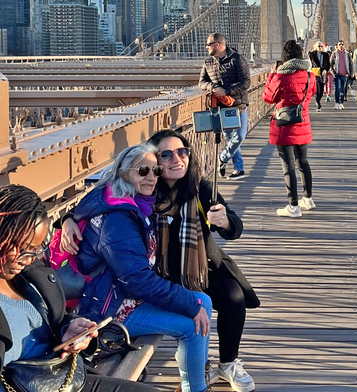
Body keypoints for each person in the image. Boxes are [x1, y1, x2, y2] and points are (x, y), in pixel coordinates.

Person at [61, 130, 260, 392]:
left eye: (182, 152)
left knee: (232, 296)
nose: (176, 159)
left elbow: (233, 226)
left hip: (195, 268)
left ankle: (226, 363)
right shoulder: (141, 198)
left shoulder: (198, 189)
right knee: (193, 316)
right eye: (165, 155)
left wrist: (226, 222)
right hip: (153, 277)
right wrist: (67, 220)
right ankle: (196, 379)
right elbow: (95, 206)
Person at [73, 143, 213, 392]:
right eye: (143, 171)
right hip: (108, 310)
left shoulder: (123, 199)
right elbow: (137, 279)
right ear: (124, 172)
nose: (151, 177)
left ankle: (191, 380)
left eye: (155, 171)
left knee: (204, 301)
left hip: (123, 295)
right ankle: (197, 388)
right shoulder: (117, 219)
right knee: (193, 326)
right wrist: (189, 305)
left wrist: (67, 218)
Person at [0, 185, 156, 392]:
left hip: (59, 376)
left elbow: (51, 320)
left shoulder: (26, 275)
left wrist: (68, 329)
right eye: (21, 248)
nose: (28, 260)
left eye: (35, 250)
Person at [263, 40, 317, 218]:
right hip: (303, 123)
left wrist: (271, 76)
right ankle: (308, 199)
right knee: (303, 162)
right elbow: (313, 93)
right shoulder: (310, 76)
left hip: (284, 126)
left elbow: (268, 98)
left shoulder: (280, 77)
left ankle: (293, 206)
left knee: (288, 166)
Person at [199, 32, 251, 180]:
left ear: (217, 45)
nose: (206, 47)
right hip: (221, 107)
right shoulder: (208, 62)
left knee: (240, 135)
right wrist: (213, 88)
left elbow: (246, 82)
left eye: (208, 44)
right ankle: (239, 169)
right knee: (230, 138)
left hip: (238, 104)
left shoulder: (237, 59)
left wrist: (227, 90)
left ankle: (223, 158)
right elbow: (201, 82)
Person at [309, 41, 331, 112]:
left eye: (321, 46)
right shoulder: (312, 54)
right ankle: (318, 103)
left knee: (321, 90)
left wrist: (326, 70)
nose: (320, 47)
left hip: (323, 74)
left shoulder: (326, 55)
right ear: (315, 46)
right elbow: (310, 63)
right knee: (317, 88)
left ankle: (318, 100)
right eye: (319, 46)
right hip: (315, 73)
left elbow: (328, 64)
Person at [330, 41, 353, 109]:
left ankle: (341, 103)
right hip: (337, 74)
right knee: (338, 89)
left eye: (342, 44)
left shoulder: (347, 54)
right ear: (337, 45)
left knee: (343, 89)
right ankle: (336, 103)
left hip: (345, 74)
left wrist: (351, 72)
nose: (341, 46)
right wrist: (333, 72)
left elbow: (351, 64)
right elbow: (331, 64)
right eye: (340, 44)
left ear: (344, 45)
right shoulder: (334, 54)